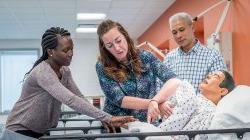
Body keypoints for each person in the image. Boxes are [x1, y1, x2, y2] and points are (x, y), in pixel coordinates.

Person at [5, 27, 136, 139]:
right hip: (19, 130)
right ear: (51, 52)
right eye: (66, 50)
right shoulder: (43, 72)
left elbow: (79, 97)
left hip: (39, 131)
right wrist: (108, 118)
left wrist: (103, 117)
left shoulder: (64, 71)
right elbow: (70, 100)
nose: (71, 54)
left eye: (72, 49)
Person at [95, 19, 181, 122]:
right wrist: (154, 104)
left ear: (125, 37)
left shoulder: (146, 57)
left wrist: (155, 101)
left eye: (118, 41)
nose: (117, 48)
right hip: (118, 124)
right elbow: (120, 99)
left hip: (146, 122)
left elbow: (174, 80)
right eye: (110, 45)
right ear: (105, 48)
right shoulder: (102, 66)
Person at [147, 70, 235, 139]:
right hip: (155, 131)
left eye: (215, 76)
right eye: (211, 74)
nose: (208, 75)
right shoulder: (189, 96)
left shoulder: (211, 114)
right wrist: (162, 105)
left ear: (222, 91)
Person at [163, 12, 226, 94]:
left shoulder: (213, 56)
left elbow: (220, 86)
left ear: (192, 28)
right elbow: (162, 87)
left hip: (203, 106)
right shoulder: (169, 59)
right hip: (173, 106)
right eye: (174, 32)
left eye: (182, 30)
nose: (178, 35)